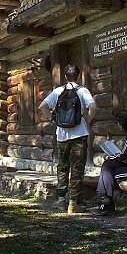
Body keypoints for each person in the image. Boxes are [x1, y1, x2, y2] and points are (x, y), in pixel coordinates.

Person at [38, 64, 96, 214]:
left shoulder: (58, 91)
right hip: (79, 135)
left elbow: (42, 106)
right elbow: (93, 107)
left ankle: (61, 200)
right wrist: (86, 120)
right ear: (79, 75)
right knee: (77, 168)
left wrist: (53, 119)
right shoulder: (82, 91)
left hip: (62, 135)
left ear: (65, 76)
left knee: (63, 167)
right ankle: (73, 203)